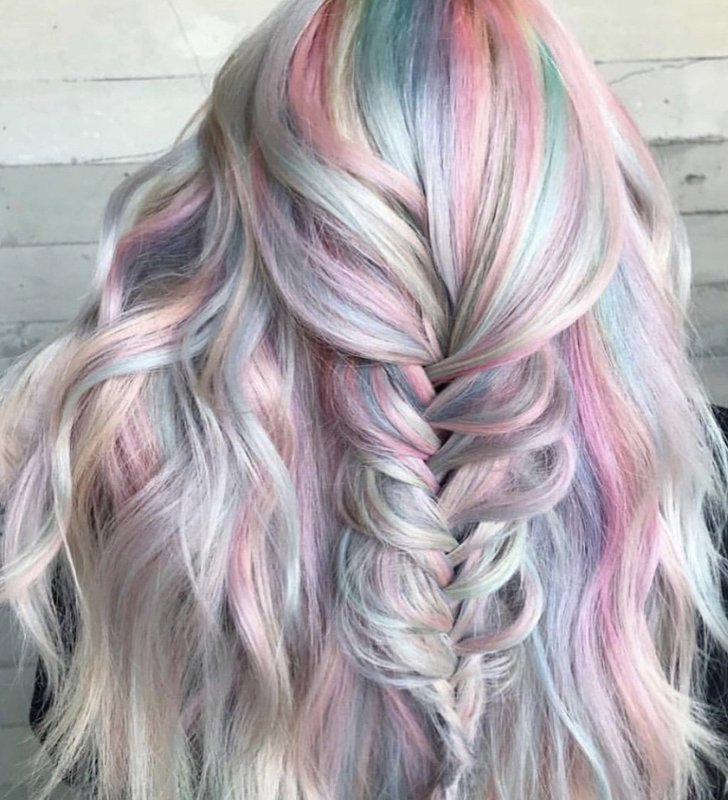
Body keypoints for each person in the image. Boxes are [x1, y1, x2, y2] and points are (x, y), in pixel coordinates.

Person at [2, 0, 728, 798]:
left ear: (231, 217)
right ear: (586, 223)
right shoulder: (697, 508)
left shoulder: (126, 503)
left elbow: (91, 757)